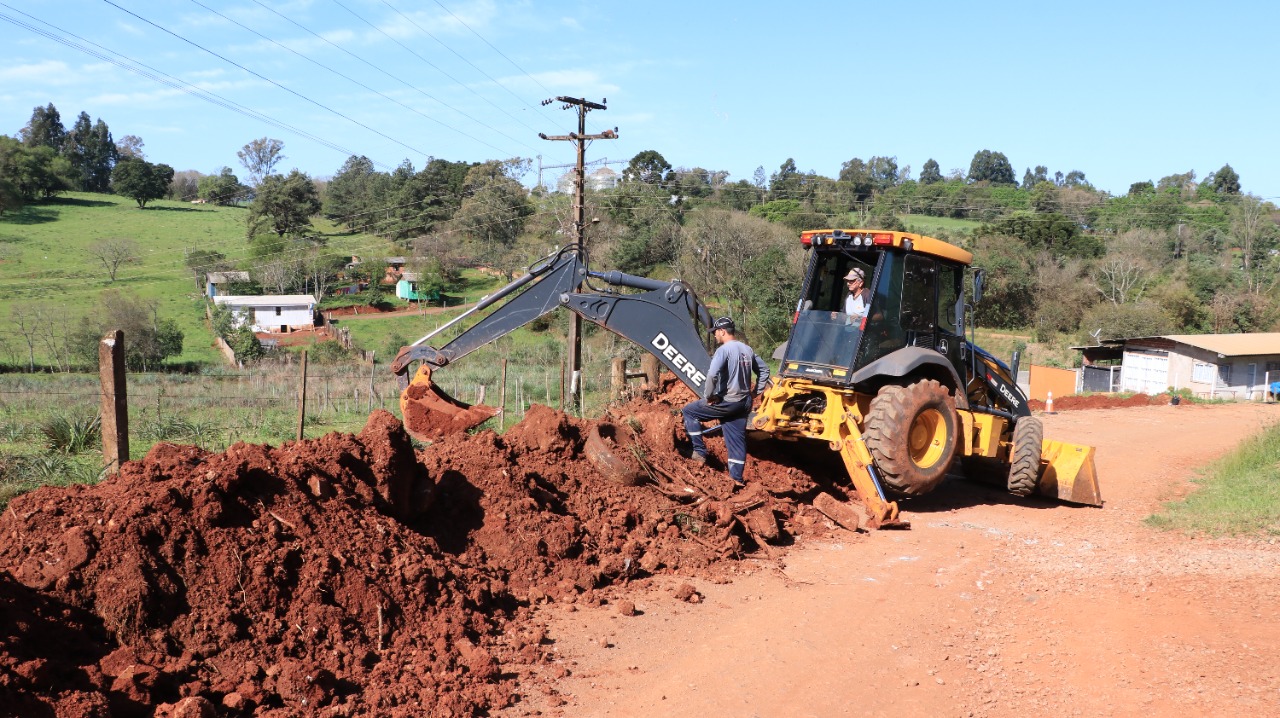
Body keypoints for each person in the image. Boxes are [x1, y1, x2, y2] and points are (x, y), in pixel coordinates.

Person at [682, 317, 770, 487]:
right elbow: (764, 370)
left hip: (728, 401)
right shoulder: (747, 349)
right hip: (744, 403)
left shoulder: (723, 350)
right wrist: (755, 393)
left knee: (689, 411)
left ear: (722, 331)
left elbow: (712, 374)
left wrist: (708, 396)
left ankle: (699, 452)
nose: (715, 335)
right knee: (736, 441)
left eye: (715, 332)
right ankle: (736, 480)